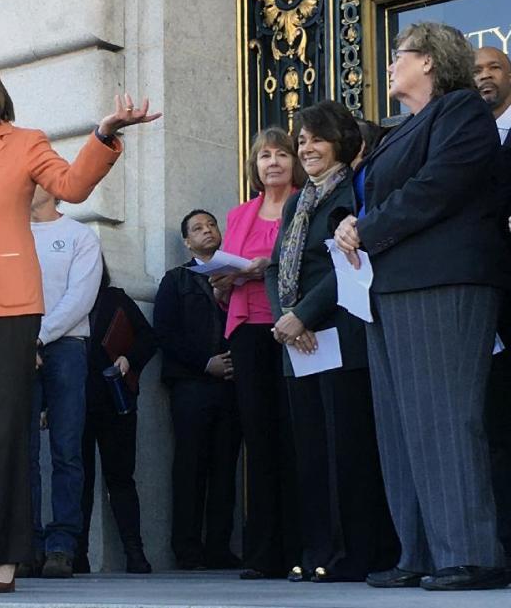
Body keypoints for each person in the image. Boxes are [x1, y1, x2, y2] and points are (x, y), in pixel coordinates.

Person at [0, 46, 159, 593]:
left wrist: (104, 134)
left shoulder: (24, 142)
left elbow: (71, 186)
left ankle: (7, 553)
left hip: (7, 300)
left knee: (6, 427)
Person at [334, 22, 510, 591]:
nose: (389, 65)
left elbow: (438, 187)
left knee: (445, 418)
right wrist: (351, 224)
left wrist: (370, 226)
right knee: (402, 426)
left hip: (444, 280)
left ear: (430, 61)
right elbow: (380, 197)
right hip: (390, 288)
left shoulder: (461, 111)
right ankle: (421, 552)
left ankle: (471, 553)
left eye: (399, 55)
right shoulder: (400, 130)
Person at [266, 100, 397, 582]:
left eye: (316, 138)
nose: (307, 148)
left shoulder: (354, 191)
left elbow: (345, 267)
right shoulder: (299, 201)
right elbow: (277, 264)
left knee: (349, 451)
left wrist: (303, 314)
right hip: (298, 343)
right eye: (301, 141)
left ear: (340, 142)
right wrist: (285, 317)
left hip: (341, 333)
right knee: (312, 453)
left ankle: (355, 553)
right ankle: (317, 550)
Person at [214, 127, 303, 580]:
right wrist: (225, 279)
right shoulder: (239, 214)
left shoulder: (305, 205)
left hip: (295, 328)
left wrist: (267, 266)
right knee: (259, 438)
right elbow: (225, 277)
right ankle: (262, 553)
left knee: (294, 434)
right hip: (248, 329)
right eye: (265, 155)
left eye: (282, 154)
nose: (273, 162)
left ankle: (301, 548)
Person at [153, 209, 241, 572]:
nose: (207, 231)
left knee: (225, 468)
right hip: (191, 385)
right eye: (197, 229)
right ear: (187, 242)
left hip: (233, 386)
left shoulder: (239, 275)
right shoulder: (176, 280)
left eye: (211, 225)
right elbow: (165, 333)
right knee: (190, 467)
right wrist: (206, 362)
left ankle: (219, 547)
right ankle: (187, 550)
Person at [26, 186, 102, 578]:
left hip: (67, 346)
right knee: (23, 452)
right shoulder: (11, 233)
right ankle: (28, 544)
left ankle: (62, 546)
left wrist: (39, 336)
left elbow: (81, 297)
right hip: (18, 347)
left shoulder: (79, 236)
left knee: (67, 449)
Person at [77, 261, 156, 575]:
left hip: (115, 400)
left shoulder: (115, 298)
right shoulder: (57, 299)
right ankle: (76, 554)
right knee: (77, 481)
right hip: (74, 404)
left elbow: (148, 338)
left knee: (121, 478)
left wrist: (128, 359)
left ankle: (134, 553)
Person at [474, 45, 511, 566]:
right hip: (484, 304)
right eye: (475, 70)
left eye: (494, 67)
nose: (484, 77)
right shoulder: (467, 138)